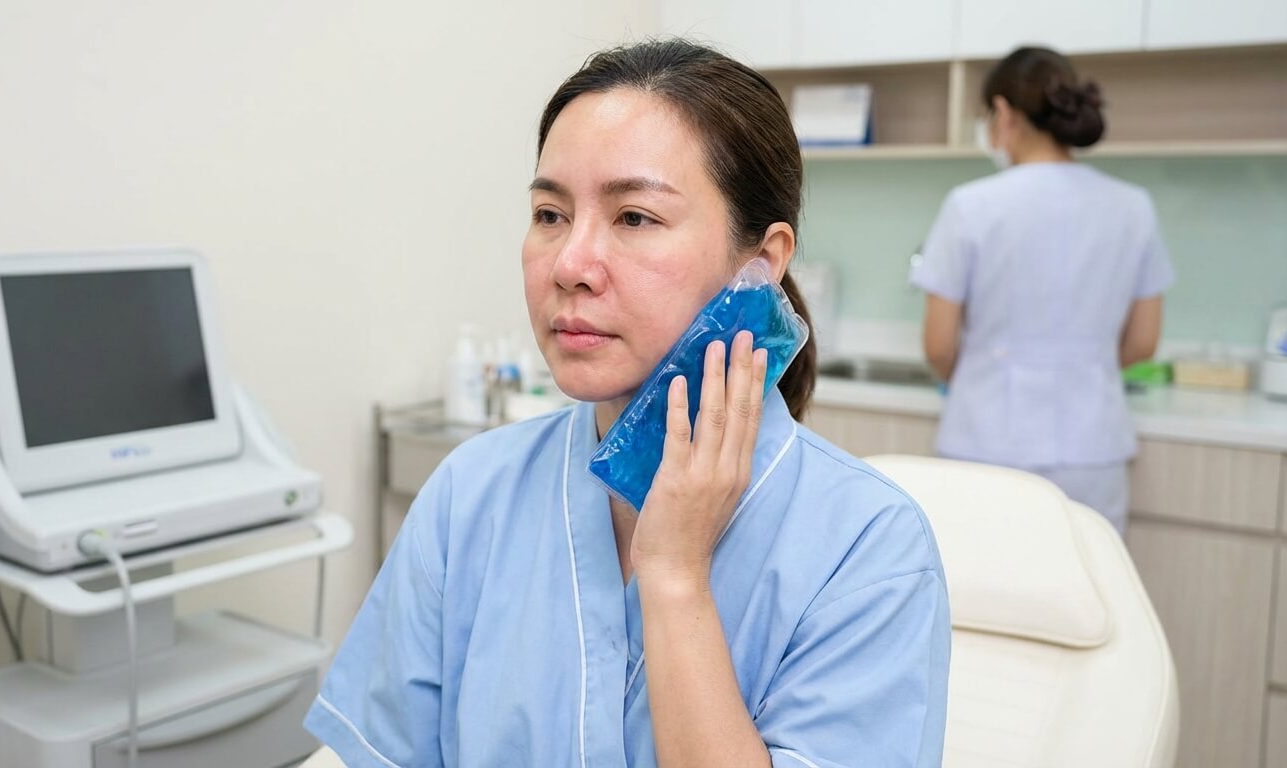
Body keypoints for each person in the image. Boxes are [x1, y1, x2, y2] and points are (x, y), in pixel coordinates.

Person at [307, 39, 950, 768]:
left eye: (635, 217)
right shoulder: (470, 494)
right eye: (550, 214)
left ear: (759, 265)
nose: (571, 265)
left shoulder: (869, 550)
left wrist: (674, 578)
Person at [911, 46, 1173, 535]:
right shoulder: (1132, 207)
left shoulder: (970, 206)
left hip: (984, 444)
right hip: (1094, 451)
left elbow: (939, 345)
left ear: (1005, 113)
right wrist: (1078, 368)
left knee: (983, 604)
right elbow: (1143, 343)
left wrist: (986, 375)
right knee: (1084, 605)